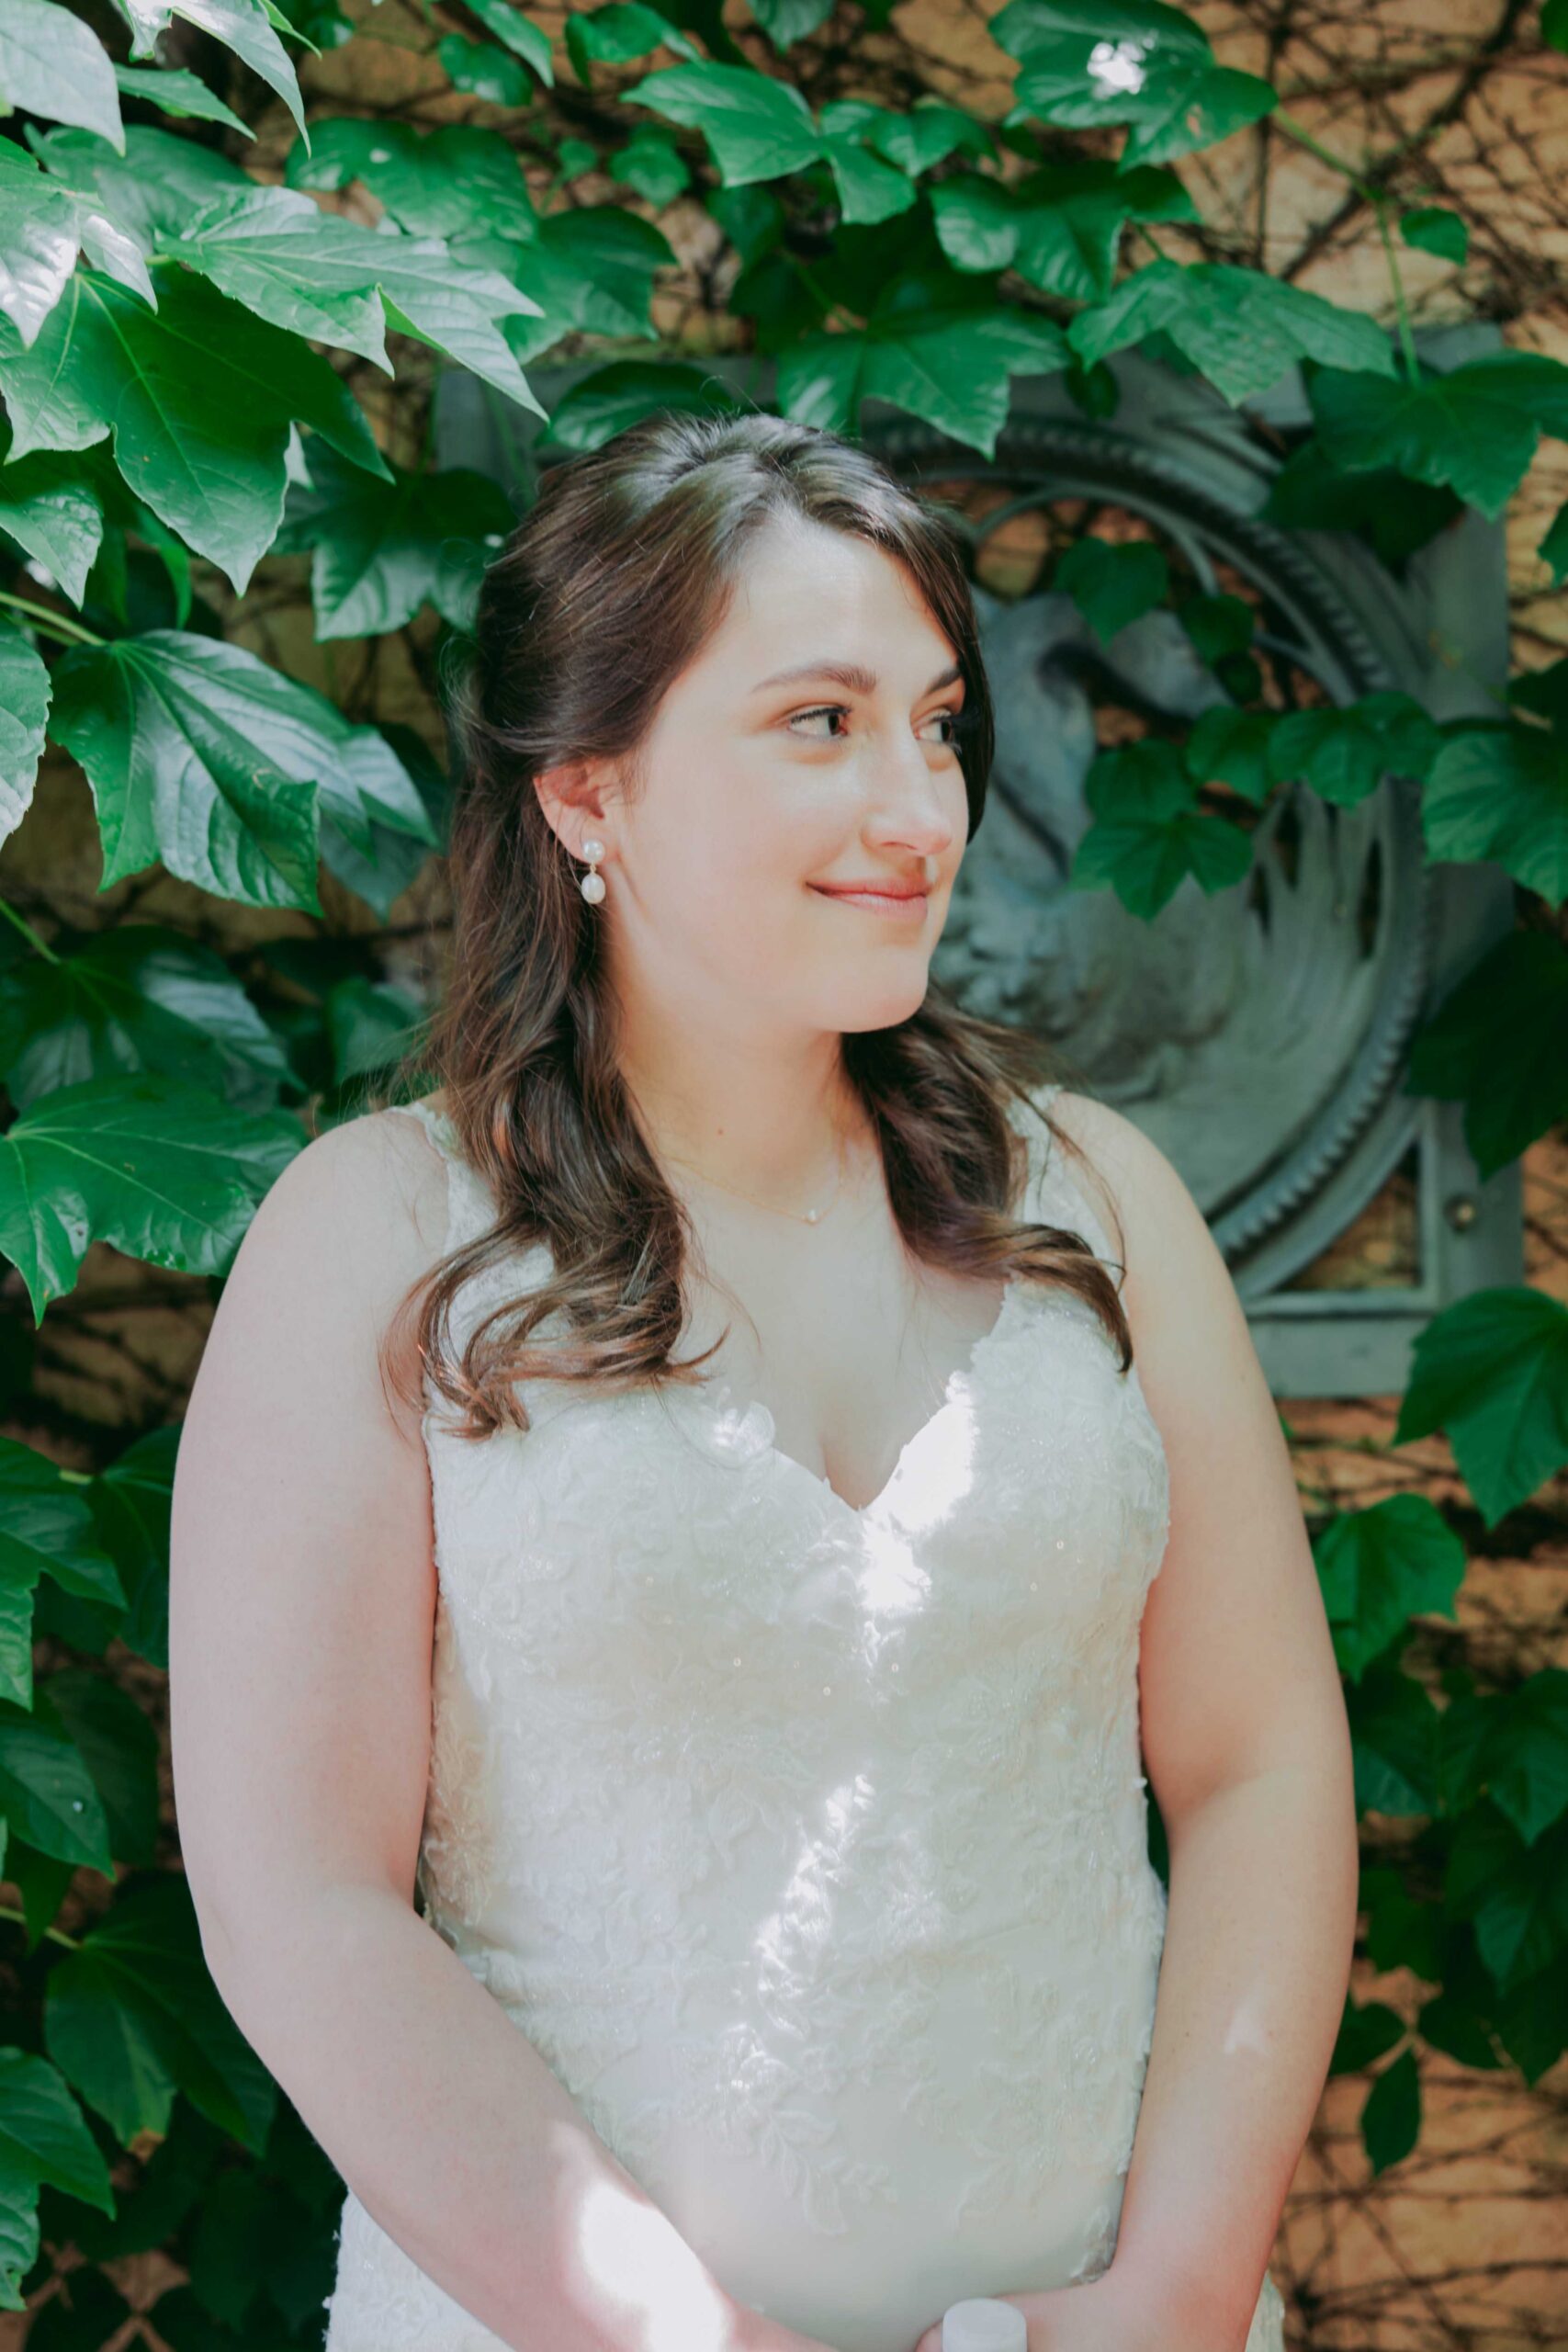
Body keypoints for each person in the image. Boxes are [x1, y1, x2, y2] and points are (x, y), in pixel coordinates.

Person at [168, 412, 1357, 2352]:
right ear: (587, 790)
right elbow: (299, 1896)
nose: (920, 808)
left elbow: (1259, 1766)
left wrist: (1176, 2293)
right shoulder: (380, 1237)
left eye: (937, 722)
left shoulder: (1099, 1201)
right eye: (820, 722)